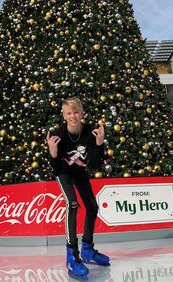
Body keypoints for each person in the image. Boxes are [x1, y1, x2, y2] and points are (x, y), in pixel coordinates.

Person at [46, 97, 110, 280]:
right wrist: (53, 152)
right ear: (64, 115)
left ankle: (87, 250)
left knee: (92, 207)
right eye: (69, 113)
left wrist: (99, 145)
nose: (73, 116)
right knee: (72, 205)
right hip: (63, 172)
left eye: (76, 112)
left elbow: (95, 165)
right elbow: (56, 167)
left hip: (80, 171)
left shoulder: (91, 131)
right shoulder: (56, 133)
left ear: (82, 113)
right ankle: (72, 256)